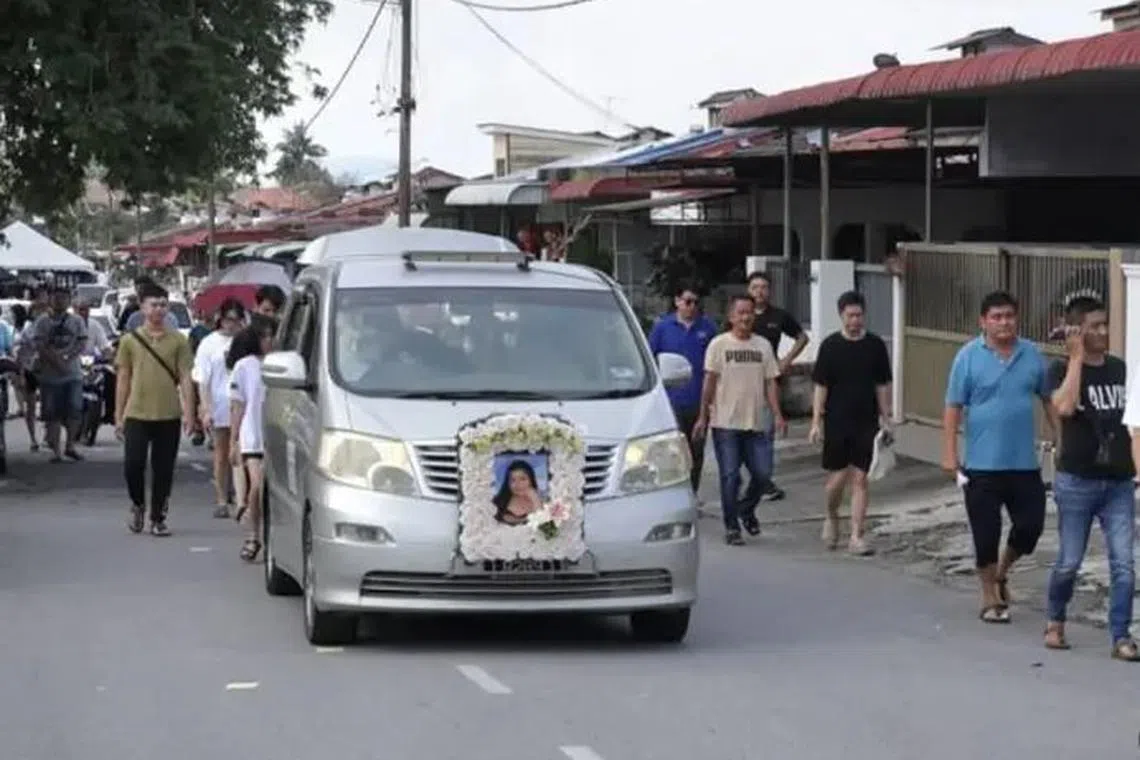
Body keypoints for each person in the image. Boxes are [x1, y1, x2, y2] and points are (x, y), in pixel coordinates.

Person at [943, 290, 1055, 624]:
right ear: (983, 321)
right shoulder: (967, 357)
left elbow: (1049, 400)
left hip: (1023, 464)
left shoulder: (1032, 355)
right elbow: (953, 407)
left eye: (1009, 316)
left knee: (1030, 526)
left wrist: (1061, 440)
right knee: (985, 534)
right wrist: (949, 453)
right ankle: (989, 596)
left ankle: (1002, 572)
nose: (1004, 322)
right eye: (996, 317)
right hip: (982, 465)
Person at [1047, 297, 1138, 659]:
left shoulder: (1119, 368)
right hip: (1077, 480)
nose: (1103, 331)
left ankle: (1121, 635)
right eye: (1094, 326)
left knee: (1124, 563)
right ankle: (1055, 619)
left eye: (1105, 324)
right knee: (1070, 561)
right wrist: (1076, 359)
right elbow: (1064, 407)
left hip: (1118, 481)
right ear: (1077, 330)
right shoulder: (1060, 369)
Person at [693, 294, 786, 545]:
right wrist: (703, 416)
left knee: (763, 474)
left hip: (756, 422)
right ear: (731, 316)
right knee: (730, 476)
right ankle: (732, 526)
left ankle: (746, 509)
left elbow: (771, 383)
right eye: (741, 312)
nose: (746, 317)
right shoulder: (719, 345)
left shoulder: (763, 346)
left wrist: (778, 414)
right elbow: (709, 383)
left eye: (750, 312)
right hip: (725, 423)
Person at [809, 290, 892, 557]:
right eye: (850, 315)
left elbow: (882, 384)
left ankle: (857, 535)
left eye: (859, 315)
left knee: (860, 479)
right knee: (836, 479)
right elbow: (820, 386)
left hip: (866, 421)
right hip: (837, 420)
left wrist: (886, 418)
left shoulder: (875, 346)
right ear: (841, 316)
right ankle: (831, 514)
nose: (855, 320)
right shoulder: (830, 346)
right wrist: (816, 421)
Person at [115, 282, 194, 536]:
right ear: (142, 307)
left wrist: (190, 413)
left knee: (164, 469)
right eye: (153, 305)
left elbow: (185, 377)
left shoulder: (178, 340)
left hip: (168, 414)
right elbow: (123, 378)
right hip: (136, 413)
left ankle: (158, 517)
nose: (158, 309)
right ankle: (138, 503)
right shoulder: (130, 340)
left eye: (163, 305)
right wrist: (118, 415)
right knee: (133, 464)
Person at [647, 283, 717, 495]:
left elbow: (714, 366)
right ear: (677, 302)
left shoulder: (707, 328)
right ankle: (672, 495)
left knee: (696, 451)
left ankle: (692, 494)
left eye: (695, 302)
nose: (691, 306)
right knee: (672, 453)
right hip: (671, 401)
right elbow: (650, 359)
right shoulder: (663, 327)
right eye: (687, 302)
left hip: (699, 401)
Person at [747, 271, 809, 502]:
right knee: (744, 433)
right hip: (743, 381)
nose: (759, 292)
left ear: (770, 291)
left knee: (765, 433)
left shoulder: (778, 316)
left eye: (763, 287)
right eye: (755, 287)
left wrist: (786, 360)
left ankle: (765, 482)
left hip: (769, 381)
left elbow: (802, 337)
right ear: (748, 290)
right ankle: (753, 478)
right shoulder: (742, 314)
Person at [228, 316, 275, 561]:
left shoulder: (280, 364)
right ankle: (253, 536)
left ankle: (269, 536)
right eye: (265, 336)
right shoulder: (244, 366)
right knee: (257, 485)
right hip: (253, 434)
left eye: (272, 335)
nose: (270, 341)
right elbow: (238, 405)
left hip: (275, 435)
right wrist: (234, 440)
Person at [194, 299, 246, 518]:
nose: (231, 325)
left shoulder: (246, 341)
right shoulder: (209, 343)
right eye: (228, 319)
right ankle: (222, 498)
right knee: (221, 453)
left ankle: (241, 496)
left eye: (236, 320)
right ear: (220, 320)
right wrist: (205, 408)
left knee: (243, 452)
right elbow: (203, 379)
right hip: (220, 404)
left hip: (243, 404)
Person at [32, 286, 88, 462]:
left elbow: (82, 343)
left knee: (75, 410)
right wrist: (56, 362)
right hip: (50, 377)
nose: (60, 301)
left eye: (64, 298)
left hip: (73, 374)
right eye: (56, 298)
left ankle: (70, 446)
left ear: (69, 301)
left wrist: (68, 358)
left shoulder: (77, 321)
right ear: (50, 300)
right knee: (52, 414)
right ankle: (56, 451)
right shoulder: (42, 322)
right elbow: (40, 346)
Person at [492, 460, 543, 525]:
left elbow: (542, 524)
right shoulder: (496, 503)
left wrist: (534, 497)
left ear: (531, 480)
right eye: (513, 480)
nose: (518, 484)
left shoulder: (544, 502)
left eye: (522, 479)